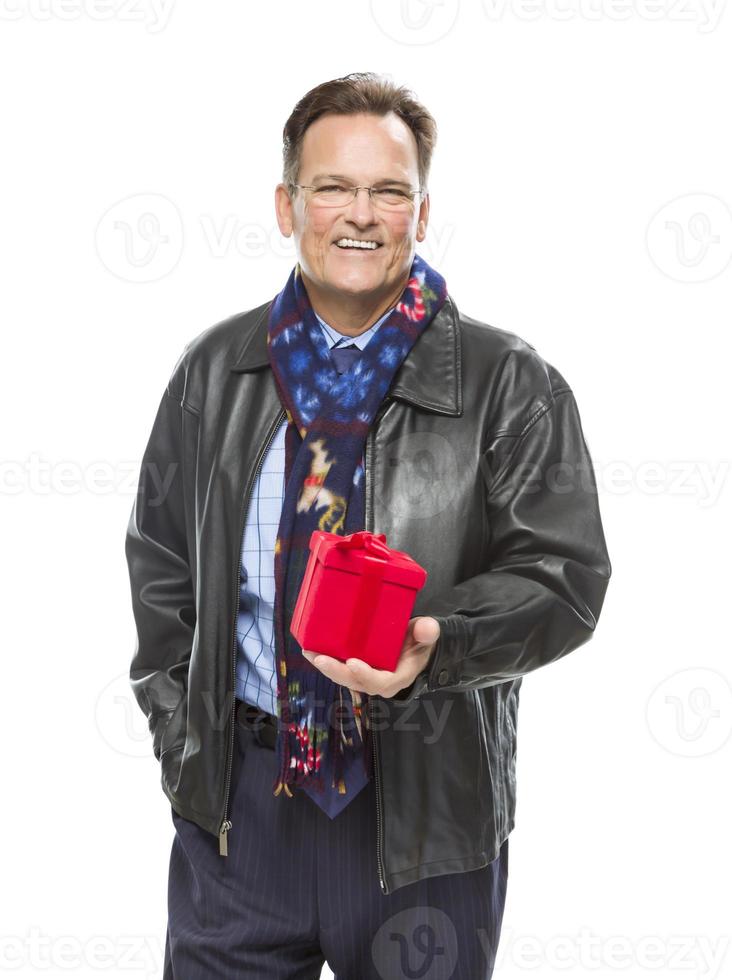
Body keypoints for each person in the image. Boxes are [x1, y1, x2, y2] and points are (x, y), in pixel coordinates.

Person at [125, 71, 612, 980]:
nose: (360, 214)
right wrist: (183, 746)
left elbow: (566, 579)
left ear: (421, 215)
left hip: (425, 822)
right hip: (241, 820)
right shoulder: (212, 374)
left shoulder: (510, 385)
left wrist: (444, 644)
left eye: (389, 190)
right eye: (332, 188)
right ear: (287, 204)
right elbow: (160, 568)